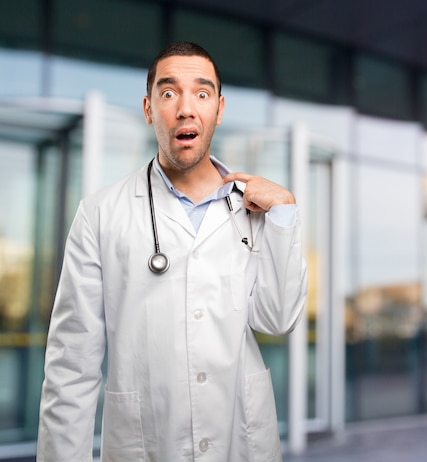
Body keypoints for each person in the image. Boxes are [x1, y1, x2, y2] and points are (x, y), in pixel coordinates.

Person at [36, 41, 308, 462]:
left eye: (201, 93)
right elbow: (72, 365)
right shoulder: (101, 214)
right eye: (169, 93)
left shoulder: (255, 209)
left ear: (219, 108)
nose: (185, 108)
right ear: (148, 109)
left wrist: (285, 213)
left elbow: (278, 318)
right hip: (143, 444)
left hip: (241, 442)